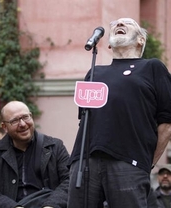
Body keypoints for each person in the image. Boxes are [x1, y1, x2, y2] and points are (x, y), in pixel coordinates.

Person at [67, 17, 171, 208]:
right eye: (115, 24)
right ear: (108, 45)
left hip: (128, 162)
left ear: (141, 40)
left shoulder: (152, 67)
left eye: (127, 23)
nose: (118, 25)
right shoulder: (94, 73)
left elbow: (167, 122)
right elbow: (85, 119)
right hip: (85, 161)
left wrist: (148, 162)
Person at [0, 101, 70, 208]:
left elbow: (69, 180)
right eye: (14, 121)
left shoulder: (55, 146)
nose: (22, 124)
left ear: (31, 116)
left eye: (26, 117)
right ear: (4, 127)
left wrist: (52, 205)